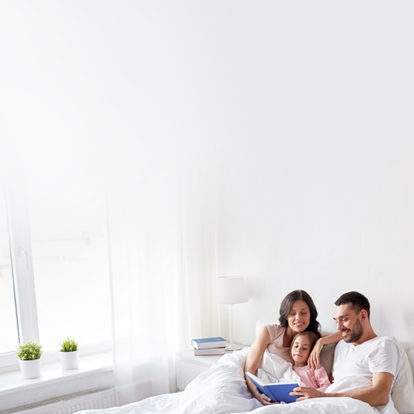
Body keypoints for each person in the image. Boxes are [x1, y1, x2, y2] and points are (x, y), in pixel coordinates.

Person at [291, 291, 403, 408]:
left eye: (344, 319)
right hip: (328, 405)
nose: (338, 327)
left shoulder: (382, 345)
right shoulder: (342, 345)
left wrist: (323, 396)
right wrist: (321, 341)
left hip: (354, 407)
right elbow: (334, 384)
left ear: (363, 316)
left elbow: (381, 395)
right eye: (336, 321)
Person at [245, 290, 326, 405]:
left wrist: (321, 341)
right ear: (286, 315)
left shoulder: (310, 340)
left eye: (303, 313)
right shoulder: (270, 331)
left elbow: (342, 335)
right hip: (261, 391)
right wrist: (258, 395)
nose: (298, 318)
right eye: (292, 313)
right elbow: (250, 369)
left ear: (310, 314)